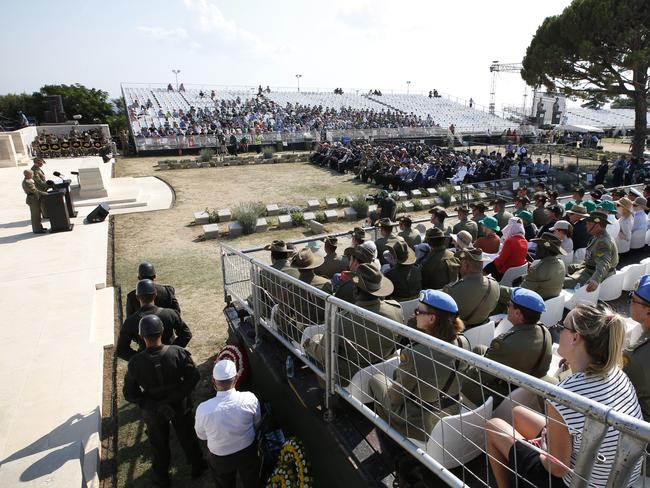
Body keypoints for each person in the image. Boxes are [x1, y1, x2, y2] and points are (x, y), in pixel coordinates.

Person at [486, 304, 642, 488]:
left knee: (493, 426)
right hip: (618, 479)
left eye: (563, 327)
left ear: (576, 338)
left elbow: (558, 468)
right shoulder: (617, 373)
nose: (559, 331)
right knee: (519, 413)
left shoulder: (565, 395)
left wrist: (542, 450)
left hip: (576, 483)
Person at [368, 290, 470, 441]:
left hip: (421, 424)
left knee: (375, 379)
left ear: (432, 318)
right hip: (451, 414)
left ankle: (390, 443)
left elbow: (394, 398)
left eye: (418, 311)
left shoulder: (415, 354)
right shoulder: (463, 342)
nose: (415, 315)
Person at [123, 315, 206, 487]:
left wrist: (154, 404)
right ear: (162, 331)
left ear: (141, 336)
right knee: (187, 436)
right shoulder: (177, 352)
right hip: (179, 403)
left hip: (153, 410)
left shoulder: (135, 363)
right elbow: (193, 376)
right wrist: (176, 396)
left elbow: (130, 393)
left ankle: (162, 477)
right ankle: (197, 465)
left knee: (158, 443)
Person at [304, 263, 402, 381]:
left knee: (315, 339)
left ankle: (324, 390)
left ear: (355, 290)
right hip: (387, 369)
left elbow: (324, 354)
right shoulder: (396, 309)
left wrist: (309, 344)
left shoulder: (340, 320)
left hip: (353, 376)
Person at [462, 288, 552, 407]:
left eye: (509, 305)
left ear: (517, 313)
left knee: (461, 376)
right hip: (528, 387)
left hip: (505, 395)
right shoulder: (544, 331)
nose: (507, 307)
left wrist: (464, 367)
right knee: (479, 349)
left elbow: (479, 375)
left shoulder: (506, 343)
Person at [195, 360, 261, 488]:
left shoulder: (203, 409)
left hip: (220, 458)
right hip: (248, 451)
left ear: (213, 382)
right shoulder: (250, 398)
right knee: (252, 481)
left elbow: (202, 436)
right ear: (236, 378)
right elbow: (256, 423)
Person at [117, 279, 192, 361]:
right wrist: (172, 351)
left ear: (137, 297)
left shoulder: (130, 322)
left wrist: (141, 359)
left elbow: (121, 350)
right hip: (171, 360)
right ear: (155, 294)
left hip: (146, 366)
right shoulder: (170, 314)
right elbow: (186, 334)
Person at [444, 248, 500, 328]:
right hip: (485, 328)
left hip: (462, 331)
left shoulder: (453, 290)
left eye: (461, 264)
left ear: (466, 266)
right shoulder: (494, 284)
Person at [564, 211, 619, 291]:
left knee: (562, 282)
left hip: (593, 273)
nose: (586, 226)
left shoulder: (602, 242)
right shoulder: (598, 236)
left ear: (597, 225)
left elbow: (603, 263)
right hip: (589, 268)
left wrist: (595, 280)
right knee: (571, 267)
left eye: (588, 223)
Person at [625, 275, 650, 426]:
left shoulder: (636, 356)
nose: (630, 303)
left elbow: (619, 394)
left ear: (648, 311)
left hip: (641, 434)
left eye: (633, 300)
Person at [484, 217, 528, 282]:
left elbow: (499, 262)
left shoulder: (510, 241)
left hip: (506, 273)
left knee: (486, 268)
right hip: (517, 273)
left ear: (511, 227)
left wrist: (488, 266)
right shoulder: (525, 241)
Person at [22, 169, 48, 234]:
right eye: (32, 174)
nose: (33, 175)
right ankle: (37, 230)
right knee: (35, 215)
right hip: (32, 200)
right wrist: (45, 193)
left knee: (38, 215)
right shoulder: (27, 182)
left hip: (35, 198)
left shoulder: (29, 180)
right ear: (28, 175)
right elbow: (34, 191)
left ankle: (39, 227)